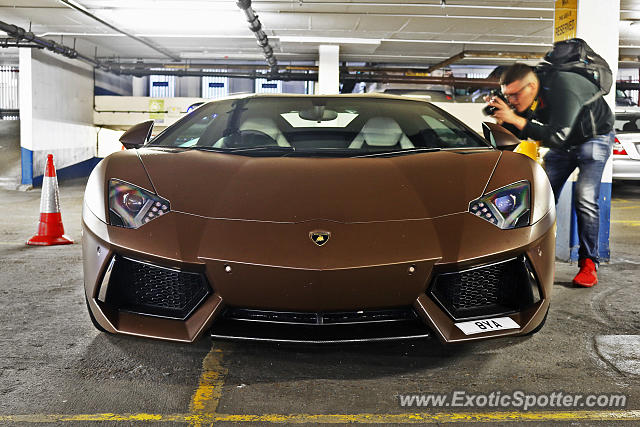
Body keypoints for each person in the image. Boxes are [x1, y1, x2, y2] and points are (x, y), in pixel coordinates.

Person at [486, 63, 614, 288]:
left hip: (593, 138)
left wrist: (516, 119)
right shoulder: (530, 97)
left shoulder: (563, 86)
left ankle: (588, 264)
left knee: (585, 198)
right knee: (540, 198)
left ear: (532, 85)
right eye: (508, 96)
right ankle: (527, 259)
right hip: (565, 143)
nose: (513, 101)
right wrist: (505, 120)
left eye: (515, 95)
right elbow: (524, 131)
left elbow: (556, 136)